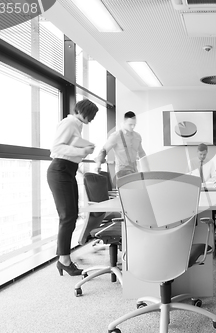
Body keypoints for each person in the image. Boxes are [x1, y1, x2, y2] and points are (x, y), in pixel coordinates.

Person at [47, 99, 99, 276]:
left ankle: (63, 256)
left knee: (71, 215)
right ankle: (64, 260)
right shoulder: (70, 122)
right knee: (67, 216)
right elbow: (56, 148)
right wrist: (82, 151)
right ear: (83, 111)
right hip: (59, 170)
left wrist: (83, 152)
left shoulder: (76, 125)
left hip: (67, 171)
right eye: (91, 115)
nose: (91, 119)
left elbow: (68, 148)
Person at [95, 111, 147, 180]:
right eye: (130, 124)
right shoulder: (116, 136)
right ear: (124, 123)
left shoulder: (137, 136)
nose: (132, 127)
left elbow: (141, 153)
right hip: (122, 173)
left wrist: (147, 169)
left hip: (135, 171)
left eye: (134, 124)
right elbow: (104, 150)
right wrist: (98, 164)